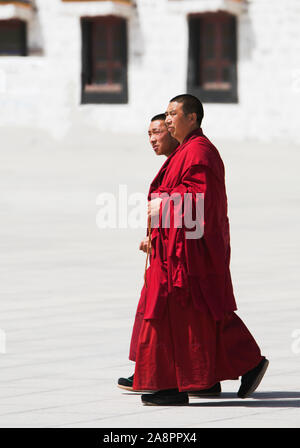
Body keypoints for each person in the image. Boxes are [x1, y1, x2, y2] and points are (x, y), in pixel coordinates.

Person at [132, 94, 269, 405]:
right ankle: (209, 378)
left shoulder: (200, 151)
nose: (167, 120)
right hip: (178, 249)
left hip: (190, 253)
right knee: (201, 317)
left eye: (172, 114)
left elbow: (200, 199)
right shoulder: (187, 150)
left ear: (192, 117)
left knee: (180, 315)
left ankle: (171, 385)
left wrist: (163, 204)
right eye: (165, 114)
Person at [117, 114, 178, 391]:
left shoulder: (186, 159)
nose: (152, 139)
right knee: (151, 311)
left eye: (157, 132)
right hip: (163, 249)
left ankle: (151, 375)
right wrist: (151, 236)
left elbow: (195, 205)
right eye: (148, 134)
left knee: (155, 313)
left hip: (175, 256)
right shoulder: (174, 162)